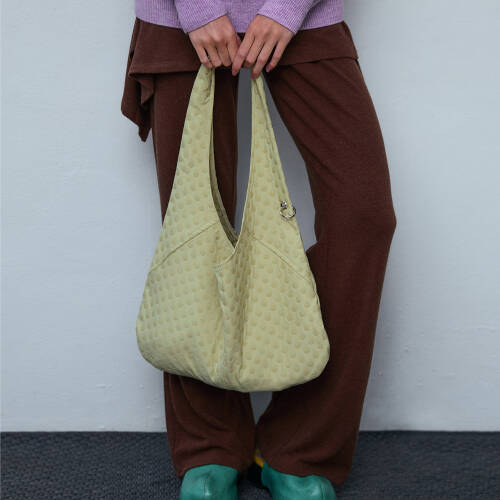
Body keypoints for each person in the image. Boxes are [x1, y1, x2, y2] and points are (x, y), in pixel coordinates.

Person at [121, 1, 397, 498]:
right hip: (181, 20)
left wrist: (288, 7)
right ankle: (209, 445)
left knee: (363, 216)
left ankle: (300, 445)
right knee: (195, 221)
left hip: (305, 17)